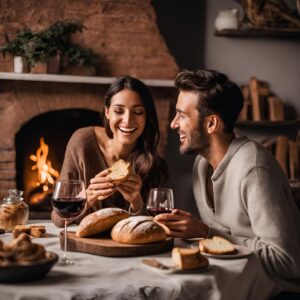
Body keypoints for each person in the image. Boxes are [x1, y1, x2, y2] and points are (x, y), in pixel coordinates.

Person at [155, 70, 300, 294]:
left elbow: (286, 261)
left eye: (182, 115)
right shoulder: (201, 165)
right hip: (229, 287)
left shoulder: (255, 168)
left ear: (211, 123)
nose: (174, 124)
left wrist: (207, 233)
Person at [52, 76, 168, 227]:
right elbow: (58, 219)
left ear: (147, 117)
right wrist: (85, 199)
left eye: (138, 112)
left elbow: (155, 227)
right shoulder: (82, 142)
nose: (127, 120)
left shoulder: (151, 160)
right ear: (107, 112)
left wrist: (136, 202)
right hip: (86, 244)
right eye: (119, 111)